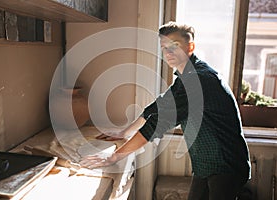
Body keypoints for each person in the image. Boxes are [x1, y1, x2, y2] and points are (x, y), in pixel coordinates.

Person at [80, 21, 251, 200]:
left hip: (225, 165)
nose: (168, 53)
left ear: (190, 46)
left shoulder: (198, 80)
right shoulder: (186, 77)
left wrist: (113, 158)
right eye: (164, 47)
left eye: (174, 46)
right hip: (206, 164)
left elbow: (157, 123)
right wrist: (125, 132)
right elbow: (158, 106)